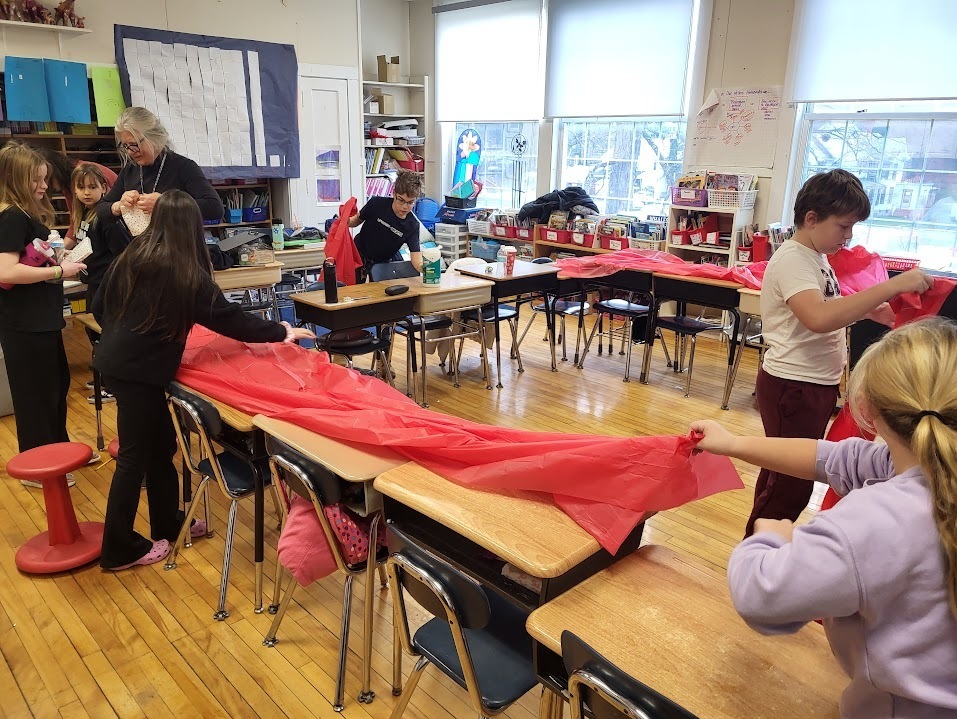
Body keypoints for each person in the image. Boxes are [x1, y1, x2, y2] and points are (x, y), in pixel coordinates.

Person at [691, 317, 957, 718]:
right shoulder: (922, 469)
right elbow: (832, 458)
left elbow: (762, 596)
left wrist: (770, 537)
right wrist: (732, 444)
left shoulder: (876, 521)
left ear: (866, 407)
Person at [92, 190, 313, 570]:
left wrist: (126, 334)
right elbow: (232, 320)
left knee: (161, 448)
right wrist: (280, 331)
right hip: (135, 372)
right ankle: (118, 548)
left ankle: (168, 522)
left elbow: (99, 305)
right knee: (133, 459)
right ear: (194, 227)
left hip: (118, 361)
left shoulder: (135, 254)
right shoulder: (186, 272)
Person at [744, 168, 933, 536]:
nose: (848, 237)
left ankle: (763, 554)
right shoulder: (794, 260)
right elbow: (818, 316)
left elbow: (830, 304)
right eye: (844, 227)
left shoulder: (816, 256)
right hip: (793, 385)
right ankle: (759, 563)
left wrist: (876, 311)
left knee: (781, 473)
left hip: (811, 383)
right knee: (789, 484)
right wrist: (891, 287)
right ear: (811, 219)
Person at [0, 142, 87, 486]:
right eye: (36, 180)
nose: (43, 187)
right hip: (25, 322)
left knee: (53, 387)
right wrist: (57, 273)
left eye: (44, 180)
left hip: (38, 319)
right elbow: (6, 272)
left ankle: (58, 452)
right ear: (16, 178)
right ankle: (40, 467)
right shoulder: (11, 217)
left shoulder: (22, 214)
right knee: (37, 395)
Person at [96, 107, 222, 236]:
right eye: (126, 146)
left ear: (153, 137)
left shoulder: (183, 167)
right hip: (142, 249)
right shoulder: (130, 170)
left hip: (179, 250)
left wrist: (165, 204)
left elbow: (214, 208)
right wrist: (118, 206)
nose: (130, 152)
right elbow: (101, 209)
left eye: (134, 144)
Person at [71, 162, 128, 404]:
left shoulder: (106, 220)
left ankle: (114, 385)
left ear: (104, 188)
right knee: (93, 332)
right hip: (92, 282)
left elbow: (124, 252)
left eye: (92, 187)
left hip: (107, 286)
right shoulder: (83, 214)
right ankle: (103, 375)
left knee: (107, 335)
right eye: (81, 187)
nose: (86, 192)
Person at [348, 171, 423, 279]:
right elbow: (355, 221)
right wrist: (344, 221)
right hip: (359, 253)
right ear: (394, 194)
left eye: (410, 202)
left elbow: (416, 258)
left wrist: (425, 268)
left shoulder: (412, 225)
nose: (404, 207)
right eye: (401, 200)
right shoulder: (376, 204)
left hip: (384, 261)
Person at [36, 145, 117, 246]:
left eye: (46, 178)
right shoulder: (68, 184)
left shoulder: (84, 174)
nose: (86, 192)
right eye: (81, 188)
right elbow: (75, 223)